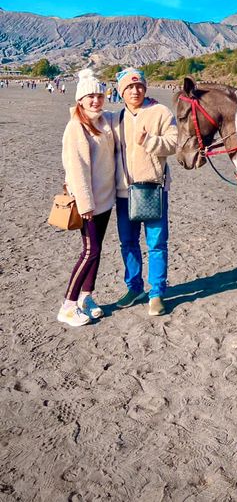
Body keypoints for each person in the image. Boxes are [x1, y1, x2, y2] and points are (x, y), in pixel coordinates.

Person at [113, 68, 178, 316]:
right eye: (129, 87)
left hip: (152, 189)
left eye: (139, 85)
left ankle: (157, 293)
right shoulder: (116, 118)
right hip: (123, 192)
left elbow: (173, 143)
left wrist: (149, 140)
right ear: (121, 92)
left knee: (157, 244)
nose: (135, 90)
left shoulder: (160, 112)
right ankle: (134, 287)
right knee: (128, 243)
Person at [58, 69, 116, 327]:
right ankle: (68, 305)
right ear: (80, 99)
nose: (95, 100)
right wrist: (85, 204)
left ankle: (86, 298)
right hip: (88, 203)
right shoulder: (76, 127)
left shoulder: (103, 121)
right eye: (90, 96)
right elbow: (77, 168)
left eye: (99, 95)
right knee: (90, 252)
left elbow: (131, 116)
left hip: (105, 200)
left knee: (97, 250)